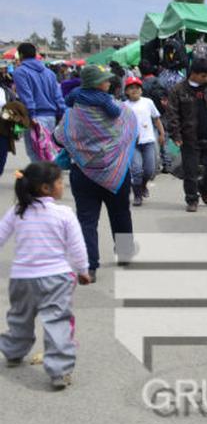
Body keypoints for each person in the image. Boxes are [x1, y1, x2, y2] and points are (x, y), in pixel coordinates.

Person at [0, 162, 89, 390]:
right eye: (59, 182)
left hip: (21, 278)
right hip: (56, 278)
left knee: (19, 317)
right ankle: (59, 371)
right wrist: (83, 270)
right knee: (57, 322)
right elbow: (77, 246)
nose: (62, 185)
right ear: (46, 188)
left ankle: (13, 351)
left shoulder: (18, 211)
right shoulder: (64, 213)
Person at [56, 66, 138, 283]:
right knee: (120, 213)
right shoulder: (121, 110)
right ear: (98, 84)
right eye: (105, 80)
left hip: (83, 172)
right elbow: (131, 130)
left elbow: (59, 137)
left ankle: (89, 268)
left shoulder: (72, 112)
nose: (109, 82)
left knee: (87, 220)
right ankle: (125, 255)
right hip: (117, 172)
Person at [167, 59, 207, 212]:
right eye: (203, 76)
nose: (206, 79)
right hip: (189, 138)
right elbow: (172, 115)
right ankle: (192, 199)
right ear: (193, 74)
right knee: (190, 171)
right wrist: (176, 135)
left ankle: (204, 188)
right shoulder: (178, 90)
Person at [12, 43, 66, 162]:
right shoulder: (49, 73)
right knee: (50, 152)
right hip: (51, 118)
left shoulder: (20, 72)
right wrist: (62, 113)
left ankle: (42, 174)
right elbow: (58, 96)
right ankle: (51, 173)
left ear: (21, 55)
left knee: (35, 154)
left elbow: (27, 97)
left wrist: (31, 116)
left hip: (35, 118)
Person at [124, 77, 165, 206]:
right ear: (126, 91)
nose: (135, 90)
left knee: (149, 170)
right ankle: (137, 195)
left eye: (137, 88)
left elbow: (156, 119)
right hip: (132, 143)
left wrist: (162, 133)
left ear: (141, 90)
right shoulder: (124, 106)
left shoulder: (148, 102)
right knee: (136, 169)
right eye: (131, 88)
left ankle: (143, 185)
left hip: (148, 140)